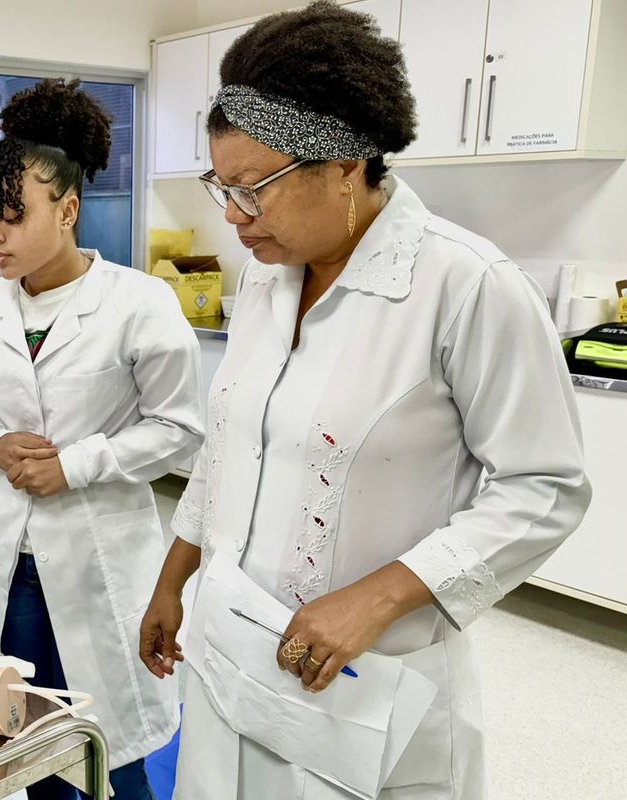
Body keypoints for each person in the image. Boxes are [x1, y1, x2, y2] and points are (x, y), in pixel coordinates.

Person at [138, 4, 591, 799]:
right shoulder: (267, 280)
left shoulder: (465, 286)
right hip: (233, 654)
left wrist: (378, 597)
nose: (232, 216)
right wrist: (176, 576)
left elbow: (545, 486)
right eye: (222, 185)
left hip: (370, 685)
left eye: (255, 188)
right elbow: (231, 444)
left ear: (346, 165)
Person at [0, 79, 204, 800]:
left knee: (108, 742)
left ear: (68, 209)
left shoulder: (139, 304)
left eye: (12, 216)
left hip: (99, 552)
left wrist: (80, 465)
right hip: (3, 551)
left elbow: (181, 430)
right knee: (25, 733)